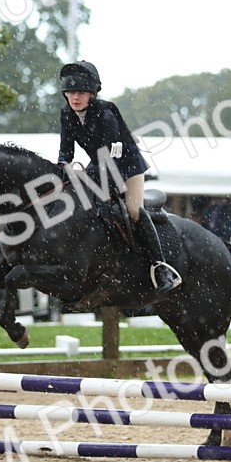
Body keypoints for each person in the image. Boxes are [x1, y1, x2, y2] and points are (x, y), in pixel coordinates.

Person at [56, 60, 180, 292]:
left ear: (92, 94)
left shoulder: (106, 111)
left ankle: (161, 267)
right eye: (70, 92)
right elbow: (66, 151)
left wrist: (88, 175)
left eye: (80, 93)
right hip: (98, 166)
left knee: (133, 210)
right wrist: (62, 166)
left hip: (126, 166)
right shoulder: (66, 114)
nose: (75, 98)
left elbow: (111, 153)